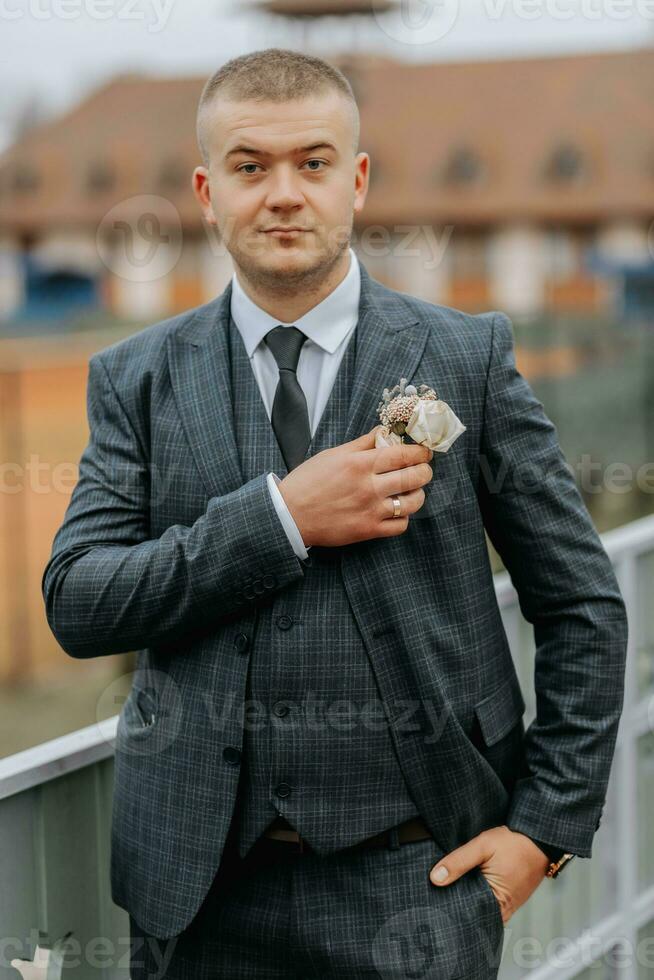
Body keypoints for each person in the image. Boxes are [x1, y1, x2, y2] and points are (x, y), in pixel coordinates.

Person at [42, 47, 629, 979]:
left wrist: (541, 834)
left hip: (419, 884)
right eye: (249, 167)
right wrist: (281, 517)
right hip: (195, 900)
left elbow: (584, 606)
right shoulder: (136, 379)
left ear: (355, 181)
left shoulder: (467, 356)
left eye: (312, 163)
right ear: (206, 191)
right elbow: (78, 601)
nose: (282, 193)